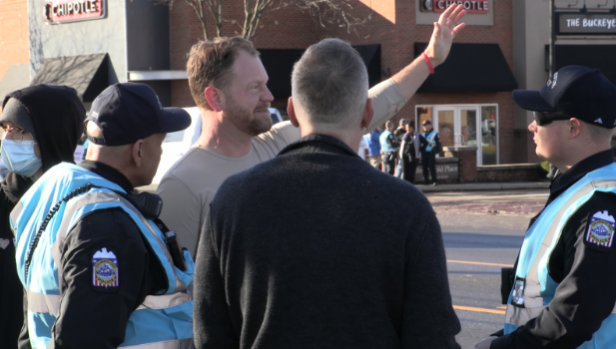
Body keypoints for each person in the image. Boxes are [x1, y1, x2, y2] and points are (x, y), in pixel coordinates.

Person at [193, 37, 461, 349]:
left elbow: (209, 334)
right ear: (367, 112)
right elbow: (431, 338)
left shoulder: (232, 201)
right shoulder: (407, 207)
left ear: (292, 111)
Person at [157, 3, 467, 254]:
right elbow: (179, 299)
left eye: (266, 84)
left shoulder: (279, 144)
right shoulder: (182, 185)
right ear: (215, 97)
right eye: (255, 88)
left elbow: (366, 104)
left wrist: (429, 59)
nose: (268, 96)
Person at [10, 83, 195, 349]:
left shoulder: (59, 194)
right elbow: (85, 339)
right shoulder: (108, 225)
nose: (162, 152)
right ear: (139, 150)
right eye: (160, 143)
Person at [474, 66, 616, 349]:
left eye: (540, 117)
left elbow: (574, 314)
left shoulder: (600, 204)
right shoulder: (579, 190)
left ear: (574, 127)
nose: (531, 126)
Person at [0, 85, 85, 349]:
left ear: (51, 135)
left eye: (19, 131)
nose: (8, 139)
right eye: (5, 129)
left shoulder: (82, 206)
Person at [420, 120, 441, 185]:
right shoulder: (422, 134)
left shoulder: (435, 134)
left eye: (425, 125)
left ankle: (434, 181)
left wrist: (435, 151)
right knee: (424, 167)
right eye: (423, 126)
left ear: (429, 125)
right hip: (424, 153)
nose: (424, 127)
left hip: (431, 153)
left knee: (432, 167)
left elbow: (438, 144)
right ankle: (426, 181)